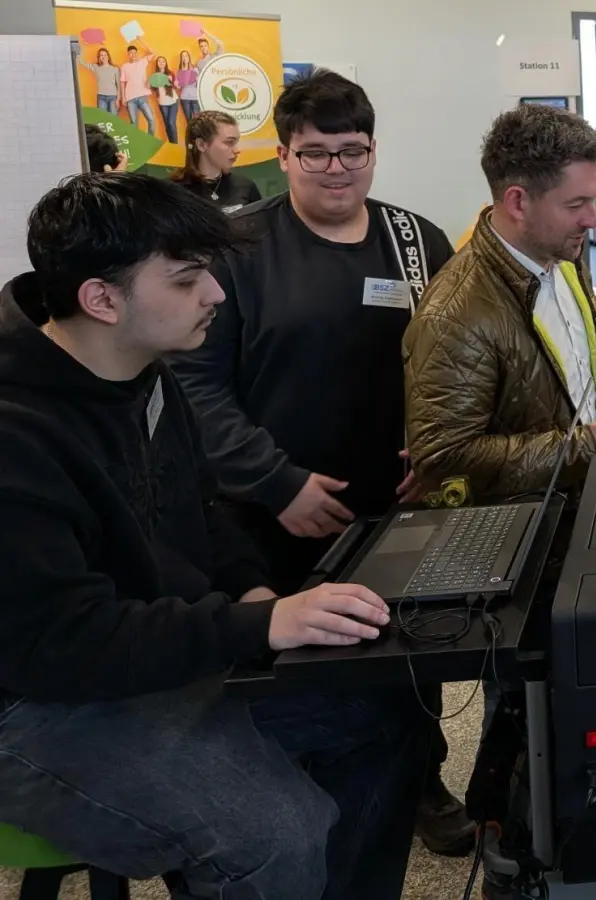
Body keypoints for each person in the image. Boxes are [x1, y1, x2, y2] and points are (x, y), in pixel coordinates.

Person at [0, 172, 426, 899]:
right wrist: (253, 626)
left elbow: (202, 511)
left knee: (386, 714)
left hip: (140, 656)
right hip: (36, 702)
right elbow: (60, 643)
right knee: (273, 831)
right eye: (189, 279)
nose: (217, 296)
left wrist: (259, 596)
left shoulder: (147, 377)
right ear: (101, 299)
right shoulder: (18, 431)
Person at [169, 68, 474, 858]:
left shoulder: (416, 241)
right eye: (315, 154)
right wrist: (278, 483)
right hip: (270, 509)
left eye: (352, 151)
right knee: (295, 670)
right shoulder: (235, 249)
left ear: (374, 151)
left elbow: (449, 365)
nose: (336, 168)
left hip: (396, 504)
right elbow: (197, 389)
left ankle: (421, 779)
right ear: (284, 152)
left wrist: (435, 455)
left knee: (406, 657)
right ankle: (290, 793)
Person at [405, 103, 596, 502]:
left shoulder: (565, 253)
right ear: (516, 202)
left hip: (580, 500)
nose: (592, 219)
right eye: (575, 204)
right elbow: (444, 460)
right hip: (526, 530)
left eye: (592, 200)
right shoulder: (453, 315)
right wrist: (581, 447)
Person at [171, 110, 262, 212]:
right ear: (202, 145)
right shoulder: (172, 192)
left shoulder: (246, 187)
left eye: (236, 142)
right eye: (229, 142)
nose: (237, 150)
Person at [119, 40, 155, 137]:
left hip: (142, 97)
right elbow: (122, 83)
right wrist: (123, 97)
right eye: (130, 53)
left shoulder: (142, 62)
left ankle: (150, 140)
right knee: (133, 123)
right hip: (130, 99)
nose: (133, 55)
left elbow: (153, 53)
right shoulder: (124, 66)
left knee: (151, 119)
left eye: (134, 53)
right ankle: (136, 142)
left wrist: (140, 39)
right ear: (128, 54)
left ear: (137, 53)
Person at [77, 45, 120, 114]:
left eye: (105, 55)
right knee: (102, 119)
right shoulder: (95, 67)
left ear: (108, 56)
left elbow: (118, 85)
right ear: (99, 57)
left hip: (113, 97)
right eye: (101, 55)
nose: (103, 57)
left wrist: (118, 99)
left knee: (113, 119)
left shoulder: (115, 69)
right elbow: (82, 62)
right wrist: (81, 50)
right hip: (101, 97)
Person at [152, 56, 180, 143]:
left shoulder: (170, 73)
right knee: (167, 125)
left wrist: (172, 82)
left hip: (173, 101)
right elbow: (153, 88)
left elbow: (177, 86)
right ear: (157, 64)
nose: (161, 62)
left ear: (165, 63)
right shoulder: (155, 76)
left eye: (163, 61)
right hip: (162, 103)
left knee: (171, 123)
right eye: (159, 61)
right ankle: (172, 144)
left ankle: (175, 146)